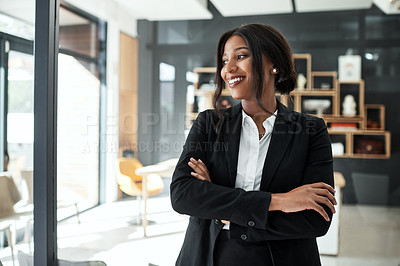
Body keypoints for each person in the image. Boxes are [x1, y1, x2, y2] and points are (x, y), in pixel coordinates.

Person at [170, 24, 336, 266]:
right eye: (225, 60)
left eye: (241, 56)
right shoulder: (209, 123)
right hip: (208, 255)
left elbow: (316, 219)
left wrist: (221, 207)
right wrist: (280, 201)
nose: (228, 69)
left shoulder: (311, 131)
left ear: (273, 64)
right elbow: (183, 195)